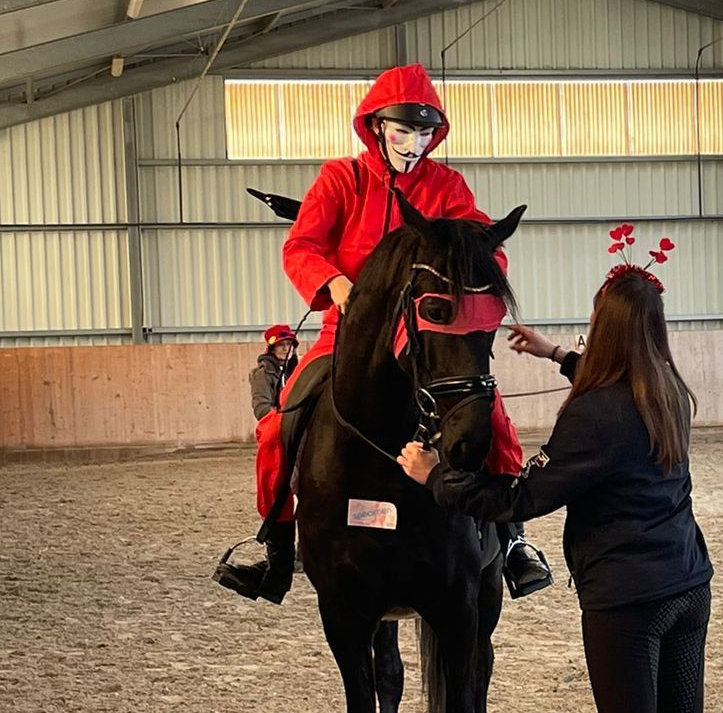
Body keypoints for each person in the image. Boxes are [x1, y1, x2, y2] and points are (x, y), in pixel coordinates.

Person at [397, 239, 720, 713]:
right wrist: (554, 355)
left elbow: (521, 498)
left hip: (626, 602)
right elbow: (613, 389)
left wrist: (434, 478)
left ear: (605, 331)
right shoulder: (668, 388)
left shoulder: (594, 414)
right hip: (686, 584)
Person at [213, 63, 551, 605]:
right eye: (403, 131)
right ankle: (274, 544)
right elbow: (301, 246)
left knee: (491, 413)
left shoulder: (447, 187)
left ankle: (512, 538)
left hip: (426, 334)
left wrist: (465, 284)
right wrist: (335, 284)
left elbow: (484, 248)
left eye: (424, 133)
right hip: (346, 332)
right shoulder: (340, 179)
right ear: (377, 126)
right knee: (279, 426)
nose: (414, 144)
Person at [250, 323, 298, 422]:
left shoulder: (296, 371)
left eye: (289, 344)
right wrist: (285, 420)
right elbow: (261, 409)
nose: (286, 349)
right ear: (272, 350)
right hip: (277, 424)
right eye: (280, 345)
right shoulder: (263, 374)